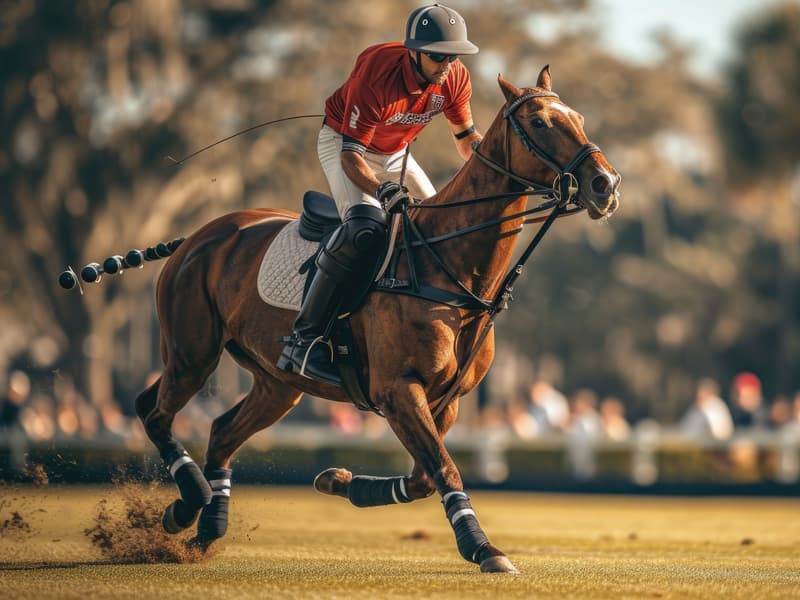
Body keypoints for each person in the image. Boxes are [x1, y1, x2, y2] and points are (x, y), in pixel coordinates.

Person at [278, 4, 483, 385]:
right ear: (414, 51)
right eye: (438, 55)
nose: (446, 65)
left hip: (395, 153)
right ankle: (304, 339)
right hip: (345, 145)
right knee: (365, 230)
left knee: (440, 225)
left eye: (453, 56)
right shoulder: (377, 75)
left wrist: (493, 167)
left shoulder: (455, 79)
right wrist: (382, 190)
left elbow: (466, 140)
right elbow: (351, 158)